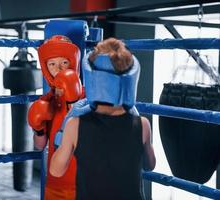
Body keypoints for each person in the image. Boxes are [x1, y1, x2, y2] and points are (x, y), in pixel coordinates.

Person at [50, 38, 156, 200]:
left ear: (92, 78)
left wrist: (64, 128)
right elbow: (149, 166)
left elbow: (56, 171)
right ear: (130, 79)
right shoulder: (142, 124)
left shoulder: (75, 125)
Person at [27, 35, 84, 200]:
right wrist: (37, 129)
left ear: (72, 63)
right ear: (46, 68)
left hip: (85, 183)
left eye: (64, 62)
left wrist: (73, 100)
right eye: (52, 64)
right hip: (55, 182)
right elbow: (40, 146)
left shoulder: (89, 96)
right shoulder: (46, 102)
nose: (58, 69)